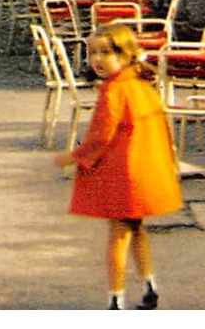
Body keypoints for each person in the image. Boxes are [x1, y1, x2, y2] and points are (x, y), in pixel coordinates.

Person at [52, 21, 183, 310]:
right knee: (136, 230)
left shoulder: (113, 91)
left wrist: (72, 156)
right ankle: (149, 284)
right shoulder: (140, 86)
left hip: (123, 175)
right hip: (143, 172)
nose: (97, 60)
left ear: (124, 55)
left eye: (105, 53)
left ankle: (116, 298)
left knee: (118, 237)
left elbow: (100, 135)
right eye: (92, 53)